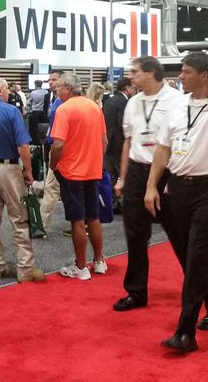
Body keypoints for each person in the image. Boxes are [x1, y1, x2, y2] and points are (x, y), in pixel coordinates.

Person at [145, 51, 208, 353]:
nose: (180, 77)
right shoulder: (177, 105)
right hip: (178, 188)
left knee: (196, 254)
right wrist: (151, 186)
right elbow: (163, 148)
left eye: (186, 72)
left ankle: (185, 332)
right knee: (189, 255)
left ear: (204, 75)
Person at [112, 56, 186, 311]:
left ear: (151, 73)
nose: (131, 76)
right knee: (134, 233)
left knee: (180, 234)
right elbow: (128, 141)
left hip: (167, 174)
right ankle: (136, 292)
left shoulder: (176, 100)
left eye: (135, 72)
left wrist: (174, 177)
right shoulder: (133, 102)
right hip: (136, 171)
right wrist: (123, 177)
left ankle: (197, 288)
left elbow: (181, 142)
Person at [0, 77, 44, 282]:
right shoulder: (11, 111)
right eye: (7, 90)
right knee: (19, 219)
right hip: (9, 169)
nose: (9, 93)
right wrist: (28, 170)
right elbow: (23, 146)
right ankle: (25, 269)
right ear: (1, 91)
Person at [50, 73, 108, 281]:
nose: (56, 90)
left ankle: (81, 267)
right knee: (93, 216)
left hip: (71, 171)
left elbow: (58, 145)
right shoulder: (94, 107)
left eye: (58, 87)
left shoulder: (64, 109)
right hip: (93, 170)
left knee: (77, 219)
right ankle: (99, 261)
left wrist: (53, 164)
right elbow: (104, 141)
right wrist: (96, 160)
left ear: (67, 88)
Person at [103, 76, 134, 214]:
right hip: (119, 145)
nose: (134, 91)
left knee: (112, 175)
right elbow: (123, 124)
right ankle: (128, 204)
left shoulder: (109, 100)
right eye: (133, 88)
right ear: (127, 88)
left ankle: (113, 204)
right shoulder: (124, 102)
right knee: (125, 174)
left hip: (108, 144)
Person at [40, 69, 64, 230]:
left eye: (54, 79)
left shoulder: (64, 102)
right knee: (57, 187)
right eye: (49, 79)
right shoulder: (53, 99)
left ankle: (40, 225)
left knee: (51, 187)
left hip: (60, 148)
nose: (50, 82)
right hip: (53, 146)